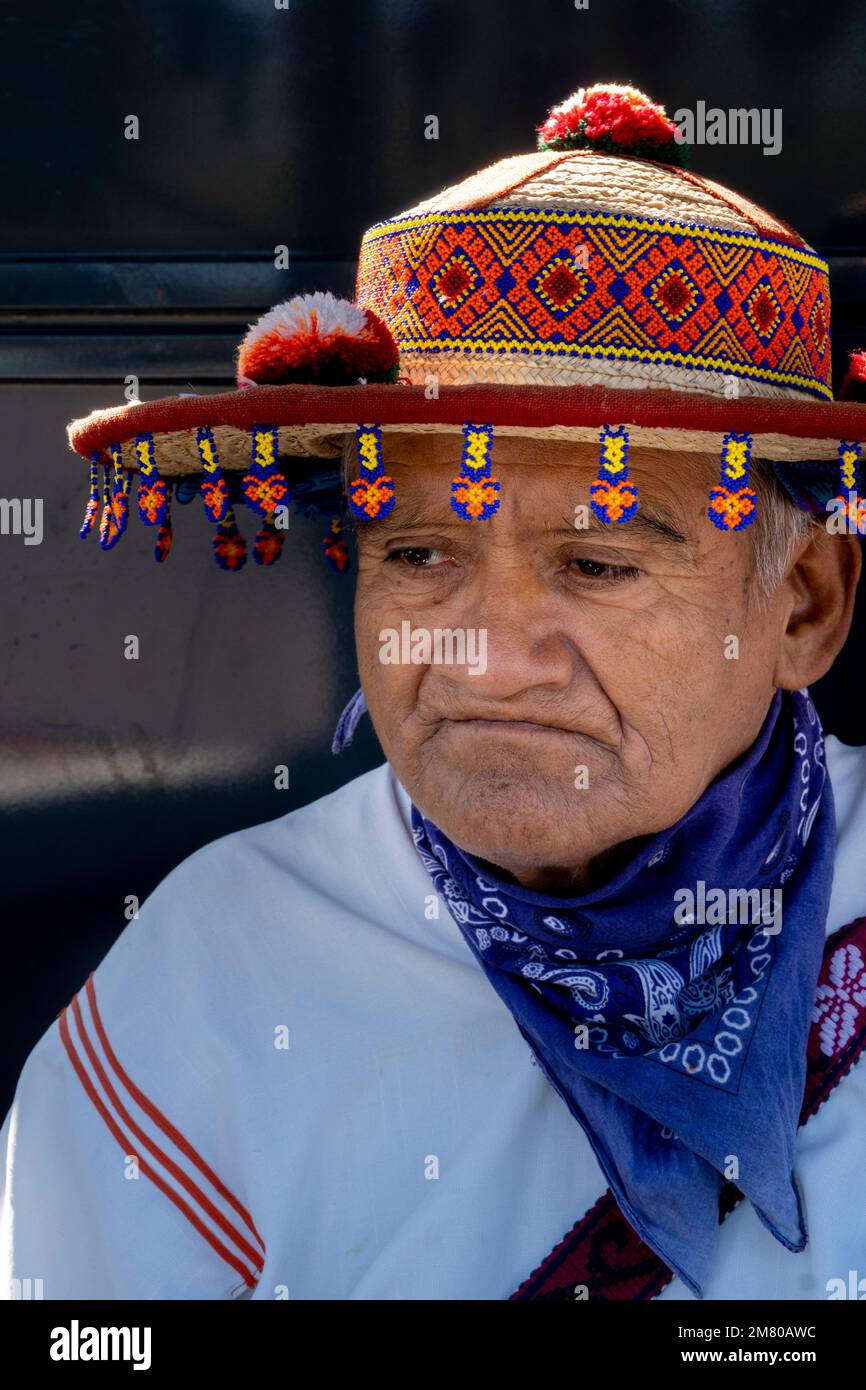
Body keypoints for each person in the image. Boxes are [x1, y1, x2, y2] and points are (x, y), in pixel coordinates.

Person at [3, 82, 866, 1302]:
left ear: (804, 608)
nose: (488, 654)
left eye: (598, 563)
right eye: (417, 554)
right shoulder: (212, 975)